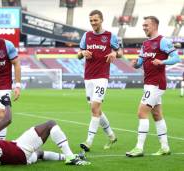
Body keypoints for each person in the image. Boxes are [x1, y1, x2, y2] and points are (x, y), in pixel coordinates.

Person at [0, 94, 90, 166]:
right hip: (20, 151)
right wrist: (7, 105)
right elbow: (7, 120)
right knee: (50, 124)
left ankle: (71, 157)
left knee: (39, 153)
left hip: (19, 160)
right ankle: (71, 157)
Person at [126, 16, 181, 157]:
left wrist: (162, 62)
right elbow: (140, 61)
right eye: (143, 25)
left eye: (146, 25)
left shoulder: (163, 41)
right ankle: (165, 147)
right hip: (149, 83)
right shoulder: (145, 44)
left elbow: (176, 58)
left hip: (156, 83)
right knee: (156, 114)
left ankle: (139, 148)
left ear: (155, 26)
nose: (144, 27)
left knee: (141, 112)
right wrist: (136, 64)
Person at [77, 10, 123, 152]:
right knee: (96, 109)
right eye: (91, 21)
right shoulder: (87, 35)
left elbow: (120, 52)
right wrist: (82, 53)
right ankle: (111, 136)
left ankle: (88, 141)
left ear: (101, 20)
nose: (93, 23)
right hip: (88, 77)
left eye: (95, 20)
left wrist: (115, 53)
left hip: (102, 77)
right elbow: (78, 54)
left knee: (94, 108)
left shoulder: (110, 36)